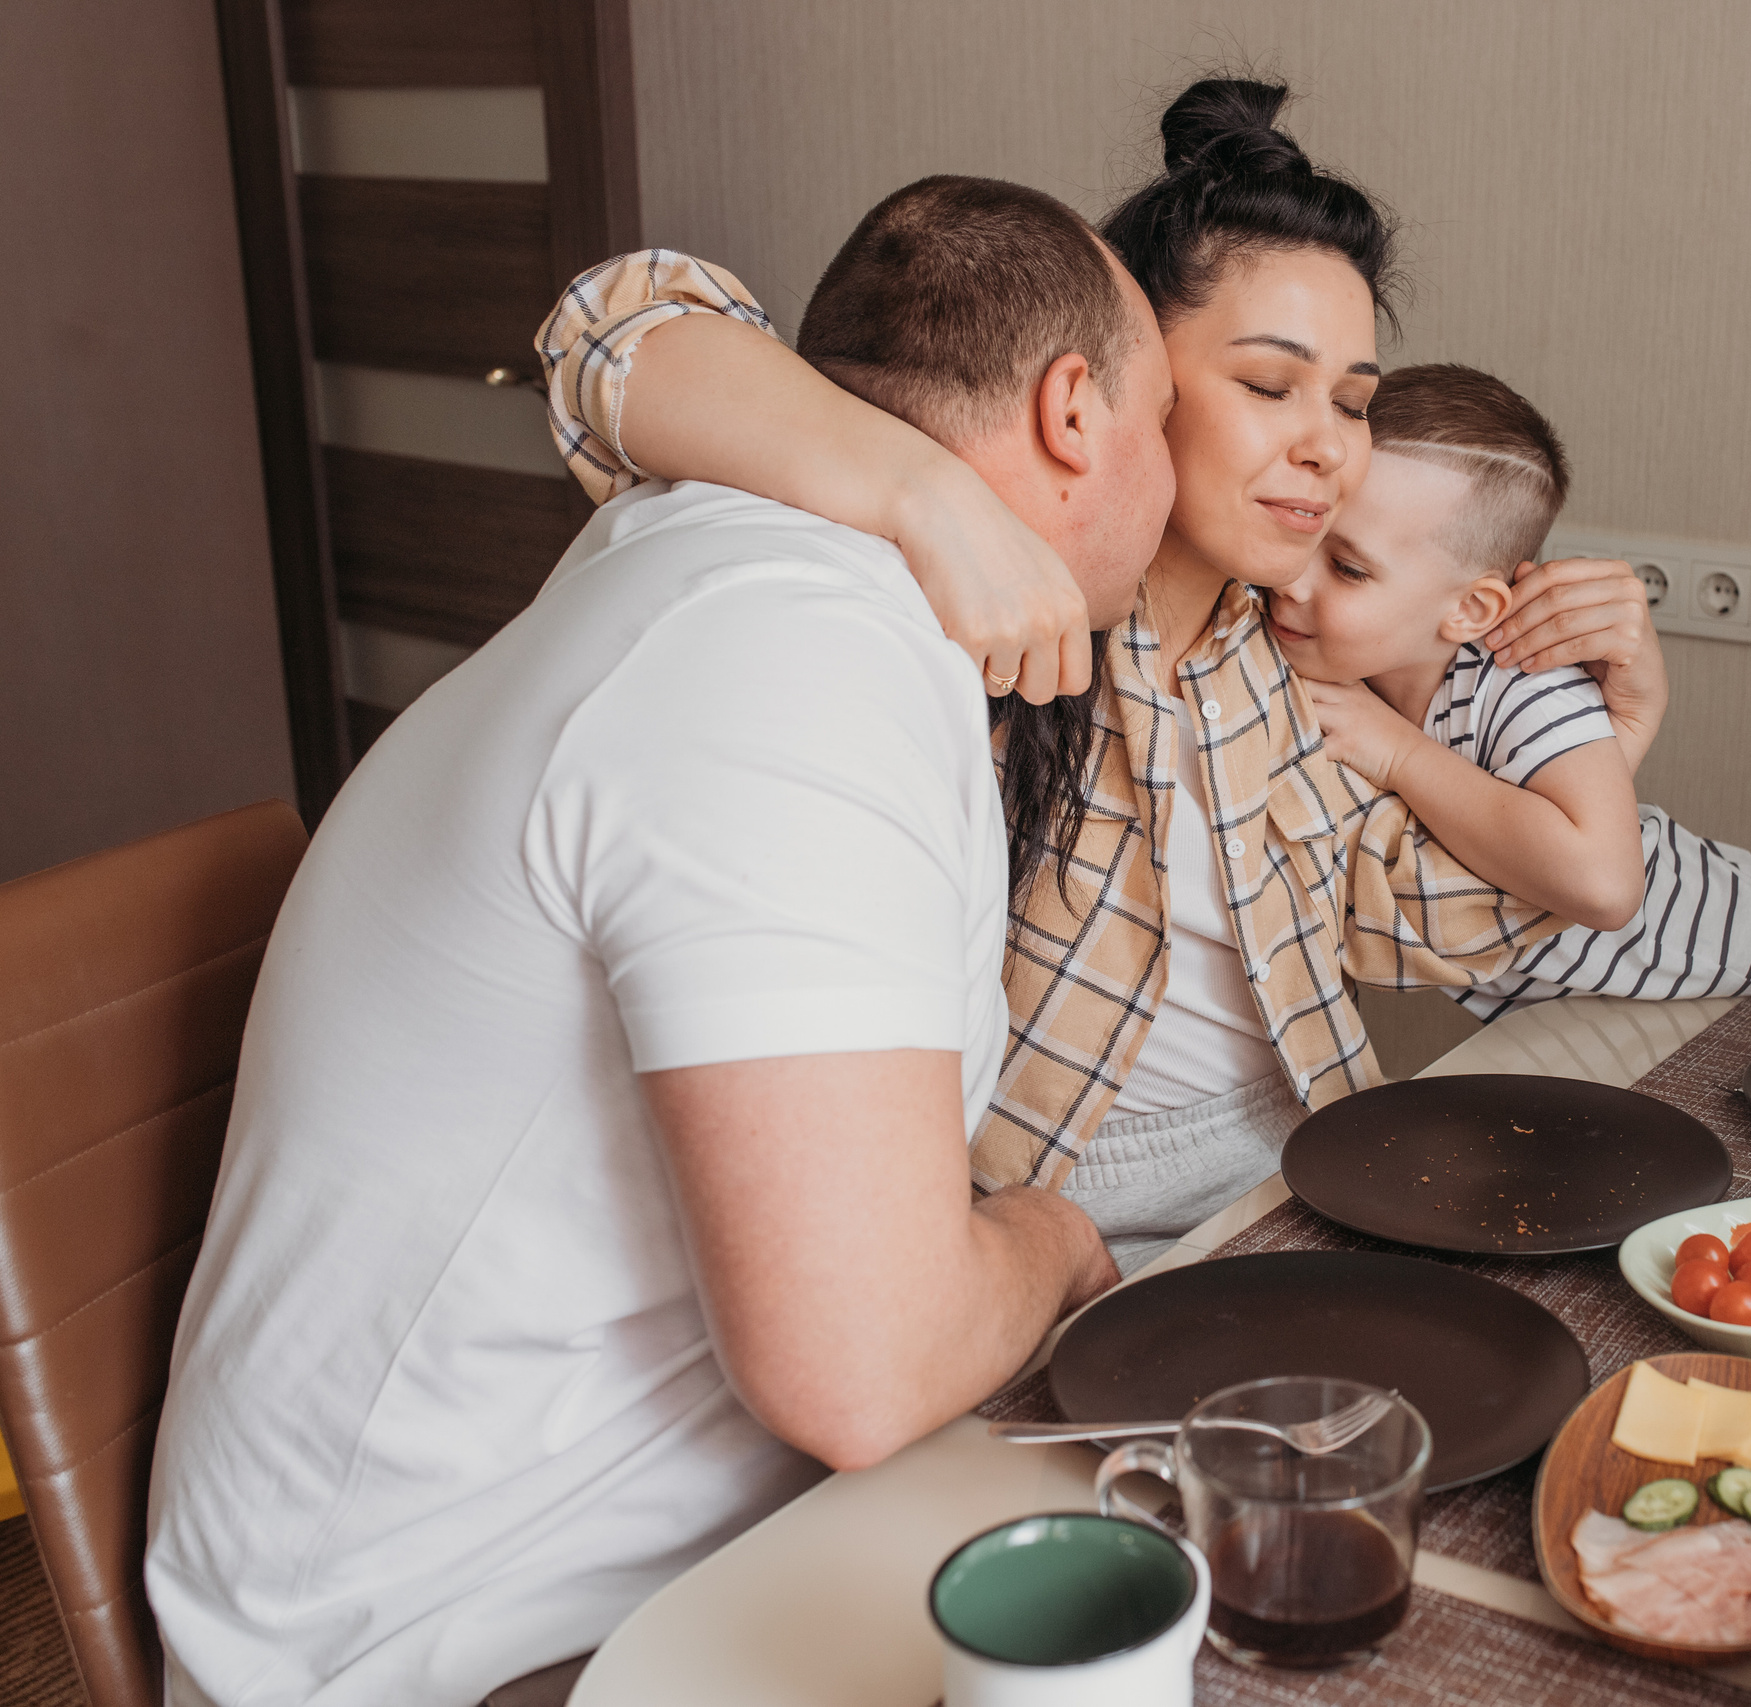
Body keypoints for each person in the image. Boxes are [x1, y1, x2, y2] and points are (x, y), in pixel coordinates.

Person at [144, 175, 1164, 1707]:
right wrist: (1058, 1236)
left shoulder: (757, 558)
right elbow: (863, 1363)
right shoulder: (797, 652)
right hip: (429, 1636)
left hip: (650, 1535)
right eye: (1174, 420)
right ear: (1074, 412)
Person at [533, 79, 1664, 1271]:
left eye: (1352, 402)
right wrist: (922, 497)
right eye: (1268, 386)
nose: (1327, 446)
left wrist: (1608, 746)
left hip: (1311, 1153)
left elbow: (1411, 912)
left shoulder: (1281, 660)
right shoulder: (963, 604)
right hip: (1052, 1209)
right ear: (1124, 379)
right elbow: (610, 325)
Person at [1281, 363, 1751, 1018]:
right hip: (1645, 1011)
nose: (1293, 581)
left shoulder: (1524, 675)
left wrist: (1399, 754)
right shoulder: (1348, 666)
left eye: (1347, 567)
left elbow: (1605, 885)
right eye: (1303, 530)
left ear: (1469, 611)